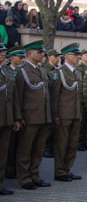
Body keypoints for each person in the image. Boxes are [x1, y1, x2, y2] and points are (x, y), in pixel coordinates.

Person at [15, 40, 52, 189]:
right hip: (29, 117)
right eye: (39, 52)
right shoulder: (21, 70)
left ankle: (35, 175)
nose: (42, 54)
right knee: (25, 149)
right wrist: (19, 117)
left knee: (38, 149)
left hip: (43, 116)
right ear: (29, 53)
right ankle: (24, 178)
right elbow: (18, 97)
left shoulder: (41, 70)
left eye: (42, 52)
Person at [51, 43, 84, 182]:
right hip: (64, 114)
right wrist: (55, 115)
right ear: (67, 56)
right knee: (62, 144)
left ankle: (67, 169)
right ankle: (59, 171)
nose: (79, 57)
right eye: (76, 55)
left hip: (76, 113)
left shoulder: (77, 72)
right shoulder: (58, 73)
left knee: (72, 143)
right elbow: (54, 97)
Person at [0, 42, 21, 195]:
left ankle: (0, 184)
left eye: (3, 51)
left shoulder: (7, 71)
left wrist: (16, 118)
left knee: (3, 153)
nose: (3, 53)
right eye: (0, 51)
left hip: (7, 118)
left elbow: (14, 97)